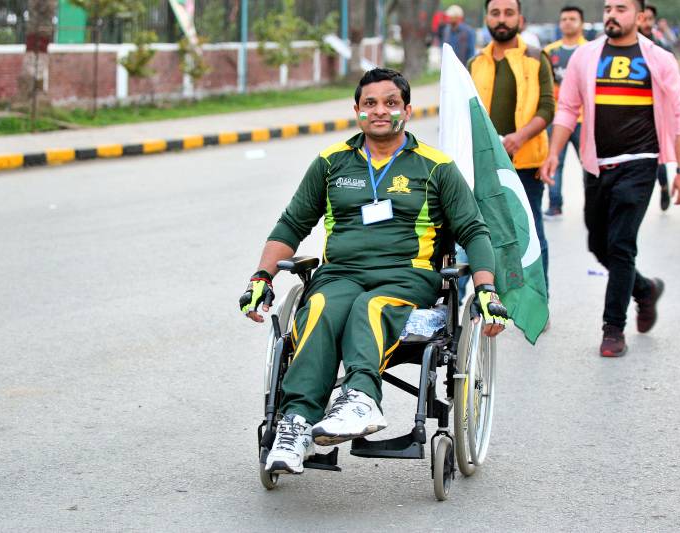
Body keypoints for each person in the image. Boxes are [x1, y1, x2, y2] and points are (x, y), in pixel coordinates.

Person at [239, 68, 508, 475]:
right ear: (357, 110)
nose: (380, 111)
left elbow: (473, 229)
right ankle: (295, 425)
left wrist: (486, 290)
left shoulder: (435, 167)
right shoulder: (331, 163)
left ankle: (361, 399)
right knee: (319, 309)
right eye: (370, 104)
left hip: (407, 275)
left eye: (390, 103)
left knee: (371, 306)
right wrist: (261, 278)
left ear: (407, 111)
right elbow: (292, 224)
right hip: (340, 273)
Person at [541, 0, 680, 357]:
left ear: (639, 17)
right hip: (597, 164)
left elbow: (678, 115)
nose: (612, 14)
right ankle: (644, 289)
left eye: (621, 8)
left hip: (640, 163)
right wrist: (553, 153)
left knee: (622, 245)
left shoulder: (659, 59)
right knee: (599, 245)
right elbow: (567, 108)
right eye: (608, 7)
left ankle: (613, 329)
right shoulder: (586, 57)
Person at [468, 0, 554, 290]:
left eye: (508, 13)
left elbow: (547, 108)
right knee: (481, 233)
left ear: (521, 18)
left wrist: (520, 137)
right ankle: (490, 295)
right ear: (486, 19)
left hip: (526, 162)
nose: (501, 20)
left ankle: (538, 297)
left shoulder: (535, 58)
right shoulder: (475, 63)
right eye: (495, 13)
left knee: (530, 234)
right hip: (484, 164)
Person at [543, 5, 587, 218]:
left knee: (587, 163)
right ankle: (554, 204)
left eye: (572, 18)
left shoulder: (590, 50)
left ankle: (593, 205)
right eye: (564, 19)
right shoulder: (550, 52)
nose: (568, 22)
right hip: (557, 118)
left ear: (581, 23)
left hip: (584, 118)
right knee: (554, 161)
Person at [639, 4, 673, 211]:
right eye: (644, 18)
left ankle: (663, 186)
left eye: (650, 19)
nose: (646, 23)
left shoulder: (659, 46)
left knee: (657, 150)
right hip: (633, 109)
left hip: (655, 109)